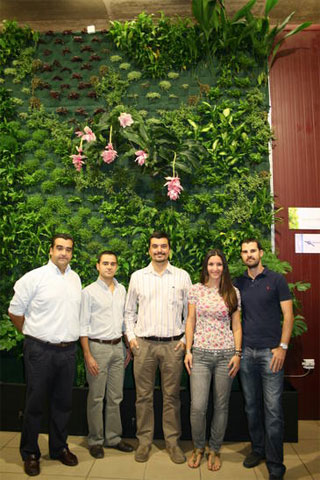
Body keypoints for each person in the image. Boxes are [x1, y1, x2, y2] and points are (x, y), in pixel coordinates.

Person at [8, 233, 82, 477]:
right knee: (35, 404)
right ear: (50, 250)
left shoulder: (75, 279)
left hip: (68, 351)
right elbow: (15, 312)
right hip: (40, 350)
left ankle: (59, 448)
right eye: (59, 248)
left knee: (63, 404)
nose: (64, 253)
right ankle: (30, 453)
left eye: (68, 249)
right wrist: (32, 333)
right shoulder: (34, 277)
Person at [125, 231, 192, 464]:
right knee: (143, 397)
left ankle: (172, 442)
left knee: (172, 397)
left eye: (163, 246)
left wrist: (184, 340)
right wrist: (131, 338)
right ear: (149, 250)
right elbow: (128, 312)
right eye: (155, 246)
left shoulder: (183, 277)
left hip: (173, 346)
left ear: (169, 250)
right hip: (143, 346)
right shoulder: (137, 277)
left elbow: (190, 314)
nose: (159, 250)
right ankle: (144, 442)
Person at [234, 238, 294, 480]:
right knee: (251, 407)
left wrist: (282, 347)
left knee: (273, 411)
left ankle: (276, 466)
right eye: (245, 252)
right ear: (242, 256)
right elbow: (235, 319)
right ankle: (258, 449)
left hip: (271, 355)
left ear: (260, 253)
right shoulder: (238, 283)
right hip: (246, 353)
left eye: (252, 251)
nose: (249, 255)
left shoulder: (277, 280)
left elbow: (288, 316)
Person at [184, 249, 242, 471]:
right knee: (198, 406)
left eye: (219, 264)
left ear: (224, 267)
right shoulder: (195, 291)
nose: (215, 268)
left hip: (226, 355)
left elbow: (236, 326)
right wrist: (188, 350)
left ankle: (215, 448)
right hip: (200, 354)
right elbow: (190, 321)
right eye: (211, 264)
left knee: (221, 405)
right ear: (205, 267)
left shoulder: (233, 292)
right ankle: (199, 447)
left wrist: (237, 354)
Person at [80, 250, 133, 459]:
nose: (109, 267)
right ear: (97, 266)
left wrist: (127, 347)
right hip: (97, 348)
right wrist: (87, 355)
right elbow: (82, 326)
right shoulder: (89, 292)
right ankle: (95, 440)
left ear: (117, 267)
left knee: (115, 396)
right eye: (105, 263)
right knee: (96, 397)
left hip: (118, 348)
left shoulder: (122, 290)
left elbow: (123, 321)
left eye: (113, 264)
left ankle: (113, 438)